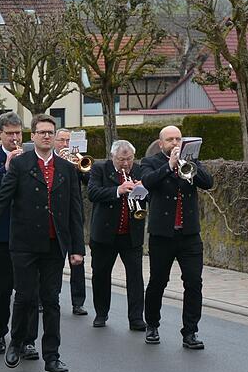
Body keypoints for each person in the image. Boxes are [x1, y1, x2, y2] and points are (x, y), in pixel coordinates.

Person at [0, 114, 84, 372]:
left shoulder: (67, 169)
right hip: (24, 244)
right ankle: (17, 341)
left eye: (50, 132)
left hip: (55, 245)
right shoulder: (20, 165)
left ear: (55, 137)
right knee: (25, 297)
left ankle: (52, 357)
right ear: (33, 136)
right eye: (41, 132)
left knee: (51, 301)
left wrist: (77, 248)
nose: (46, 136)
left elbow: (75, 211)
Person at [141, 125, 213, 349]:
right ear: (161, 144)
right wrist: (170, 165)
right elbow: (147, 183)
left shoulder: (191, 160)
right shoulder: (151, 162)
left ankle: (190, 332)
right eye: (170, 139)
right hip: (162, 234)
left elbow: (208, 183)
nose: (174, 143)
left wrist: (187, 163)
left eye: (178, 139)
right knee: (158, 282)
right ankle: (152, 325)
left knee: (194, 283)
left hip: (189, 234)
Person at [0, 111, 39, 357]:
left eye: (17, 133)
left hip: (27, 232)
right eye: (10, 133)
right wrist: (5, 167)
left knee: (29, 290)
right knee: (2, 289)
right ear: (0, 134)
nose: (14, 138)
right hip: (0, 234)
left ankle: (27, 339)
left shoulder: (31, 157)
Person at [88, 140, 147, 330]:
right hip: (104, 234)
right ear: (113, 157)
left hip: (131, 234)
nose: (126, 164)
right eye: (122, 159)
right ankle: (101, 313)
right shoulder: (100, 169)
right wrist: (118, 190)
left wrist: (142, 189)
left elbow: (153, 193)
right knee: (101, 275)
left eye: (129, 159)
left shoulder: (139, 170)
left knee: (136, 277)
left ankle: (136, 318)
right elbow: (93, 192)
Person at [53, 128, 88, 316]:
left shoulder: (77, 161)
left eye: (68, 141)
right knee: (54, 262)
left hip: (73, 217)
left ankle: (78, 302)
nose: (65, 144)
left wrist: (77, 167)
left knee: (77, 261)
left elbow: (89, 179)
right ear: (55, 142)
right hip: (54, 217)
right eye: (61, 140)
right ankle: (50, 298)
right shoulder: (50, 161)